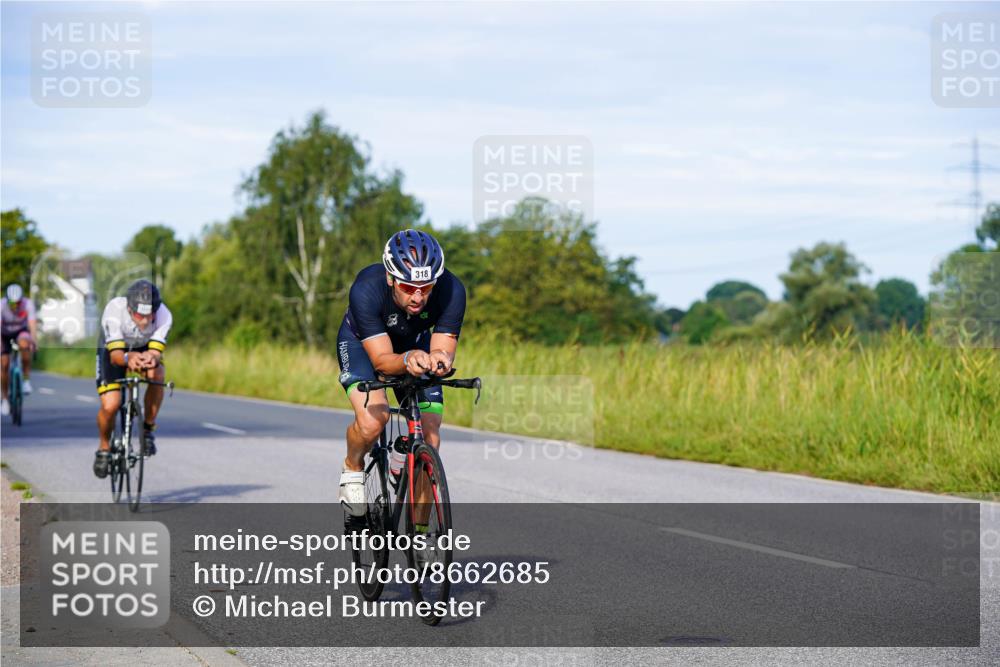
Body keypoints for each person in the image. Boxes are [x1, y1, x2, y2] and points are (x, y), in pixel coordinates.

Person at [337, 229, 466, 516]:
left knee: (430, 436)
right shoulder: (366, 289)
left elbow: (443, 347)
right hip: (363, 346)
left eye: (426, 287)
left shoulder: (452, 290)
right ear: (390, 278)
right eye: (408, 287)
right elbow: (382, 362)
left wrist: (440, 359)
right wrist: (408, 359)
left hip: (414, 343)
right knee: (374, 421)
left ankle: (419, 533)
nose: (418, 296)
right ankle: (352, 466)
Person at [93, 279, 172, 479]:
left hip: (143, 346)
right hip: (114, 349)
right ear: (129, 309)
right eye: (139, 315)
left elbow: (155, 352)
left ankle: (147, 430)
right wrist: (129, 358)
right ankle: (103, 447)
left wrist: (151, 358)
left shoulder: (164, 315)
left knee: (157, 374)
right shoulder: (114, 311)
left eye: (149, 315)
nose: (145, 321)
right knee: (111, 405)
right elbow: (116, 356)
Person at [1, 283, 38, 415]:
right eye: (12, 303)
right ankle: (5, 399)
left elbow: (32, 325)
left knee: (25, 345)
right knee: (4, 364)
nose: (15, 305)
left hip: (20, 331)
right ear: (7, 300)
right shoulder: (1, 305)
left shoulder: (28, 304)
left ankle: (26, 380)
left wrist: (34, 342)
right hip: (4, 333)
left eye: (18, 302)